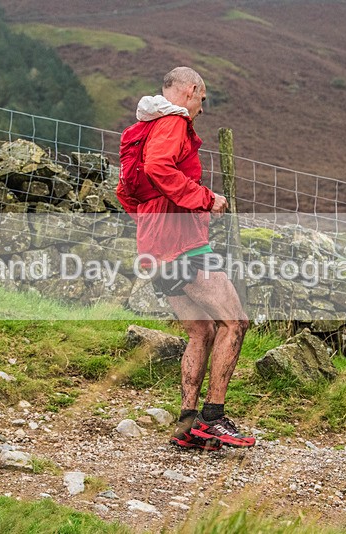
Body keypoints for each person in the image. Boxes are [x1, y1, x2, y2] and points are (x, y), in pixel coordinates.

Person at [118, 67, 254, 450]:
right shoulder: (174, 122)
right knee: (235, 322)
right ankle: (213, 418)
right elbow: (158, 167)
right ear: (191, 90)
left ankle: (187, 425)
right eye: (202, 99)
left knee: (202, 331)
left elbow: (126, 190)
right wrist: (205, 199)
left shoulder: (144, 127)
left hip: (155, 247)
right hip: (183, 244)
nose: (201, 109)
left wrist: (153, 224)